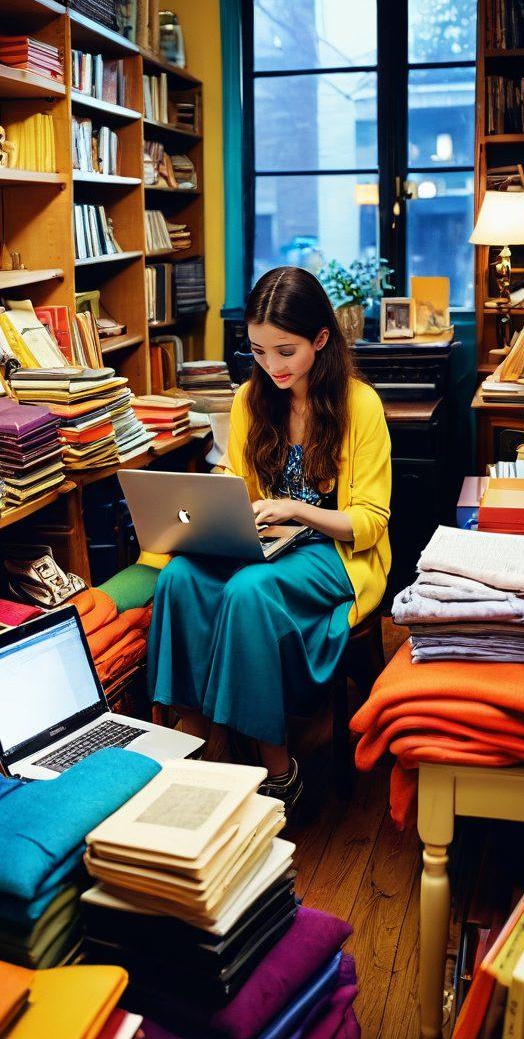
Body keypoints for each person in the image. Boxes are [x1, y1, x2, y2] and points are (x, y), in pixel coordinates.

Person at [148, 266, 392, 812]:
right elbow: (237, 479)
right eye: (258, 352)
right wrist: (215, 498)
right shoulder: (249, 400)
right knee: (181, 576)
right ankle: (196, 740)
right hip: (267, 542)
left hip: (335, 552)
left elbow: (370, 521)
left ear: (320, 339)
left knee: (249, 590)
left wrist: (297, 509)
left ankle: (277, 765)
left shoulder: (360, 405)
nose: (271, 365)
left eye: (285, 351)